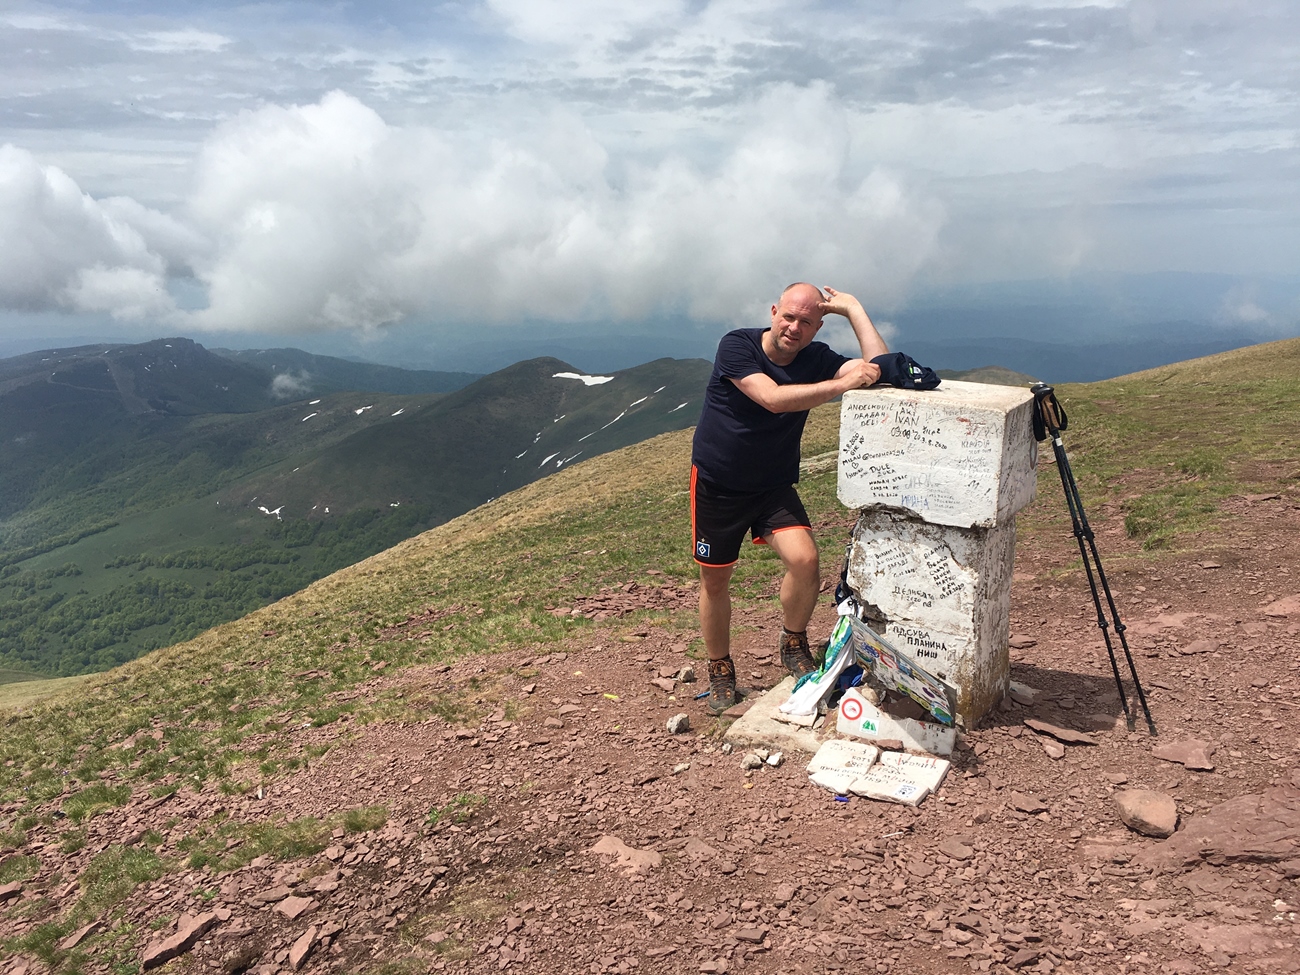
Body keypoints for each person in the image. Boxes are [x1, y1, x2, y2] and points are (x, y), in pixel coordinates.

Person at [690, 282, 888, 715]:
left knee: (805, 561)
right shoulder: (737, 345)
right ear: (774, 310)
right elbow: (773, 400)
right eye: (789, 317)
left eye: (806, 322)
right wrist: (844, 384)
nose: (794, 328)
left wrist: (853, 308)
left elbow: (880, 368)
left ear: (818, 327)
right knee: (716, 581)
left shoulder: (815, 359)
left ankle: (793, 640)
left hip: (772, 485)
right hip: (718, 484)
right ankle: (720, 666)